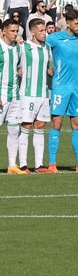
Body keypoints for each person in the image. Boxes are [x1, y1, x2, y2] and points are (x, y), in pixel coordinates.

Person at [43, 7, 78, 172]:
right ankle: (52, 164)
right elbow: (40, 51)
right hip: (60, 86)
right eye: (77, 23)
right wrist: (48, 68)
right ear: (68, 22)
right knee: (56, 123)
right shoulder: (55, 38)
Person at [17, 17, 52, 172]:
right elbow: (16, 66)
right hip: (28, 94)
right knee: (26, 126)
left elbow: (49, 70)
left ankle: (39, 164)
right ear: (32, 32)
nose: (44, 34)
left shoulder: (47, 48)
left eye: (45, 30)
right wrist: (22, 74)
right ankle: (23, 164)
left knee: (40, 127)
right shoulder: (23, 47)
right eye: (41, 31)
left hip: (44, 94)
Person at [0, 18, 20, 173]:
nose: (15, 34)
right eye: (12, 31)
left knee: (14, 131)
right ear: (4, 31)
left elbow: (17, 69)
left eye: (17, 31)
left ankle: (12, 165)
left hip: (15, 96)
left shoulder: (17, 48)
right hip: (2, 96)